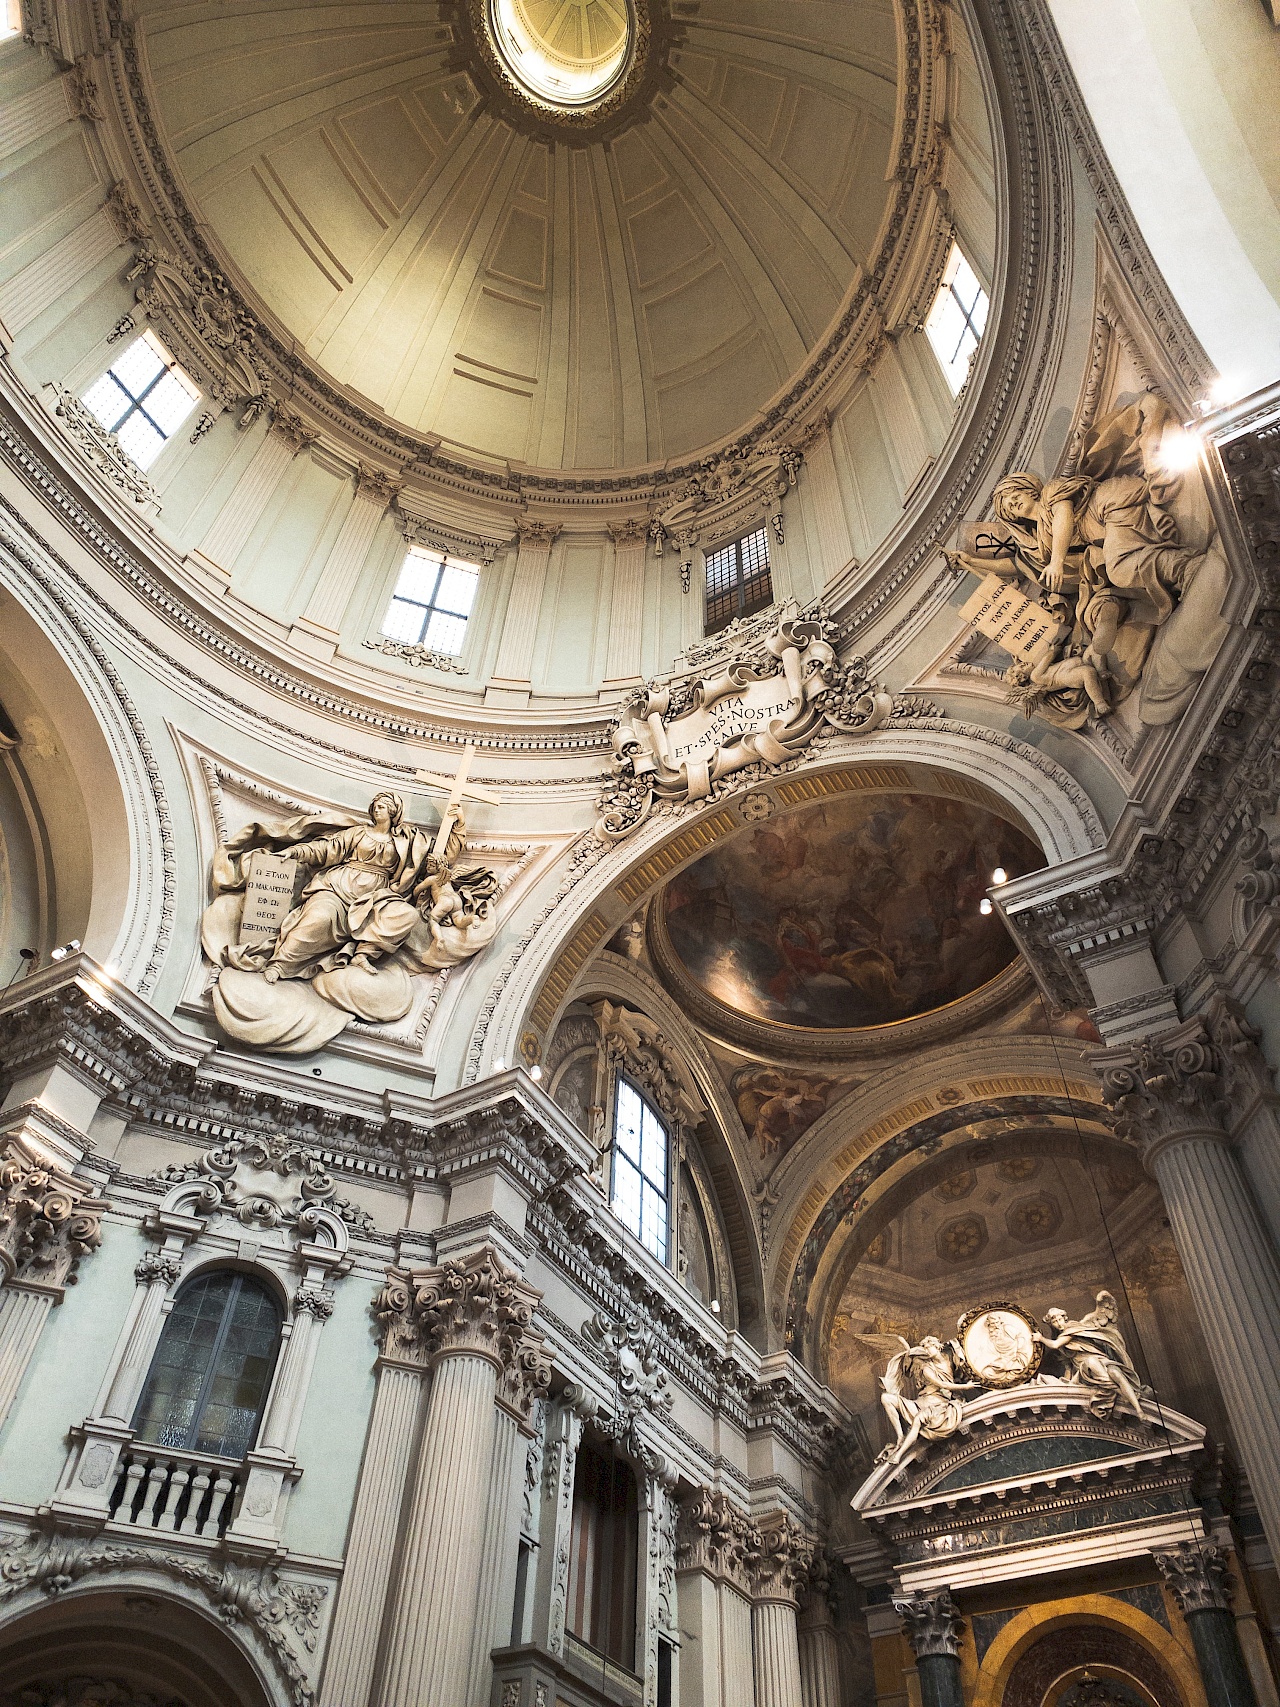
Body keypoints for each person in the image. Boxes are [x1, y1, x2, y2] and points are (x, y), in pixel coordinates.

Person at [1034, 1290, 1146, 1419]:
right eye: (1055, 1322)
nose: (1059, 1323)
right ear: (1051, 1325)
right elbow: (1068, 1366)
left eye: (1060, 1319)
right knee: (1091, 1363)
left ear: (1065, 1318)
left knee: (1115, 1373)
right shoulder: (1062, 1338)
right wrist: (1066, 1386)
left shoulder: (1072, 1328)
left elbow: (1055, 1344)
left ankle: (1138, 1409)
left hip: (1100, 1360)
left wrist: (1040, 1338)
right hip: (1085, 1369)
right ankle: (1124, 1394)